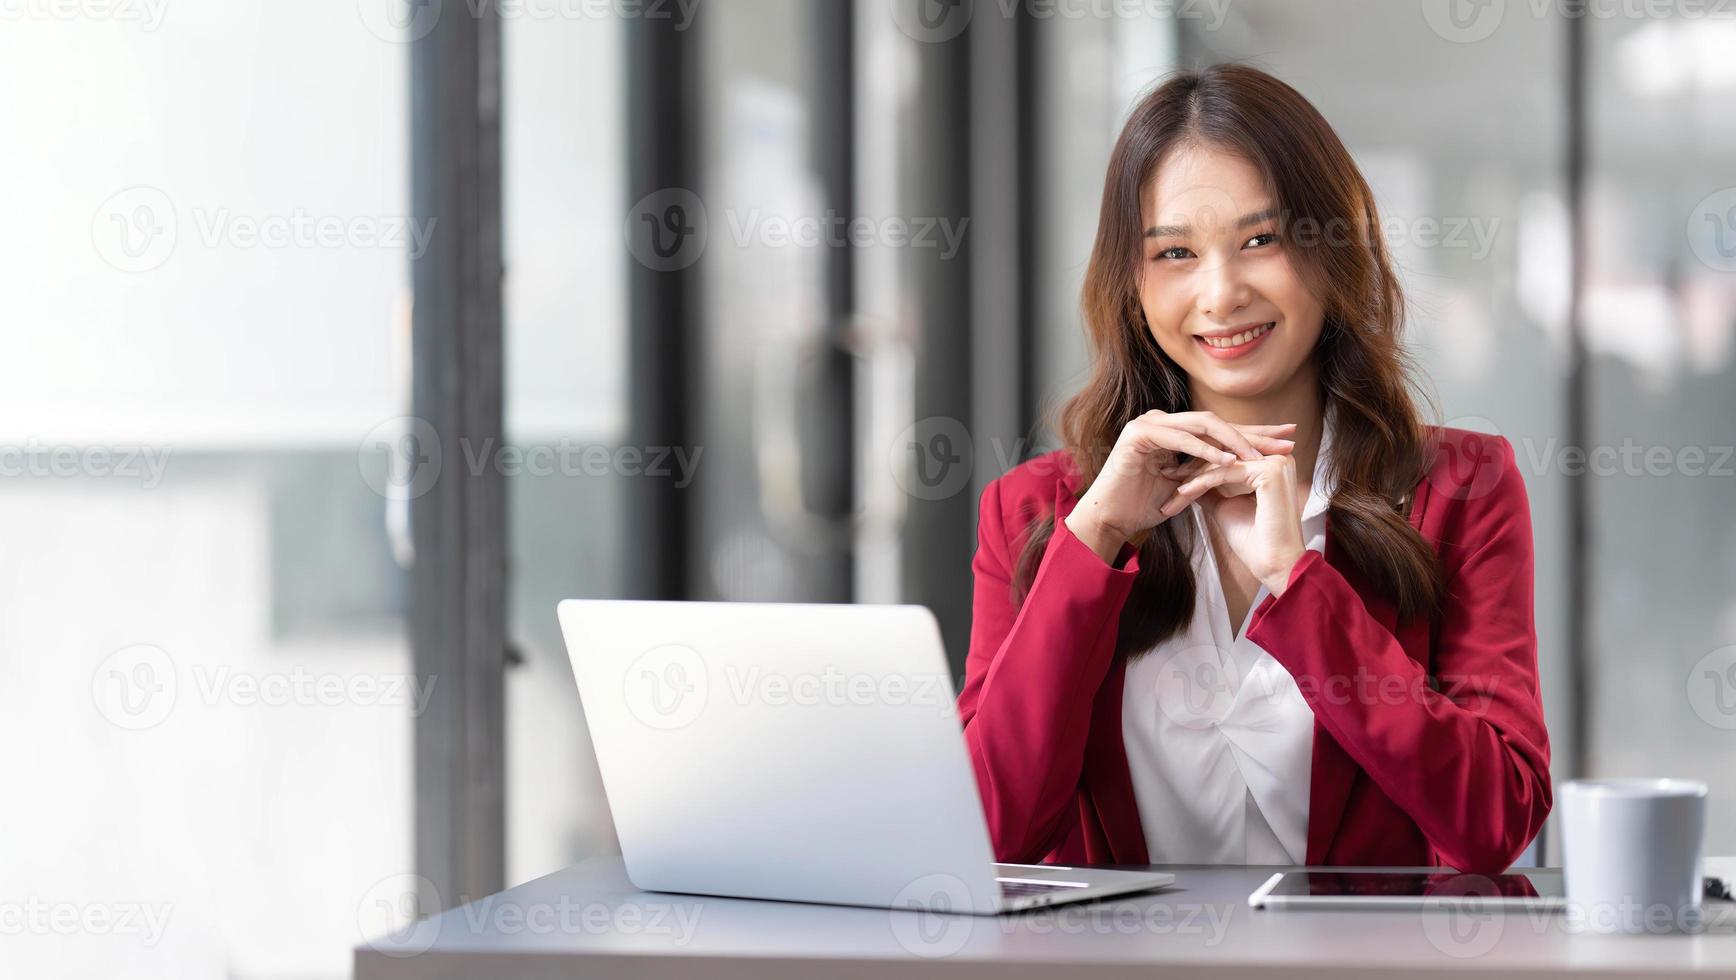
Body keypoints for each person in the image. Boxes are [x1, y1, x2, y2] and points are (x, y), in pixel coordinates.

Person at [957, 64, 1550, 874]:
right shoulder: (1040, 511)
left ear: (1333, 248)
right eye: (1174, 252)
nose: (1221, 291)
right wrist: (1092, 539)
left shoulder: (1462, 490)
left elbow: (1495, 819)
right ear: (1130, 284)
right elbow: (988, 833)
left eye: (1261, 240)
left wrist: (1300, 586)